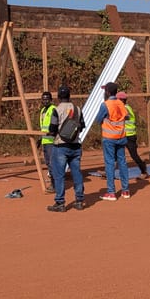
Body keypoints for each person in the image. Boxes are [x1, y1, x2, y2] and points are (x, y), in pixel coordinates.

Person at [46, 84, 86, 212]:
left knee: (59, 175)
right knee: (77, 173)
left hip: (60, 146)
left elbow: (52, 129)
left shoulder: (56, 110)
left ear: (58, 96)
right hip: (75, 145)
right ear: (69, 96)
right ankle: (79, 200)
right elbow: (82, 126)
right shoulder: (78, 109)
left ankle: (60, 202)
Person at [96, 82, 129, 201]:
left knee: (110, 164)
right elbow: (127, 116)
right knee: (122, 162)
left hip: (109, 138)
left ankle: (111, 192)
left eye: (105, 90)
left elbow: (98, 119)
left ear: (108, 92)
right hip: (121, 136)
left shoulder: (105, 105)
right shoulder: (120, 103)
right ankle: (125, 190)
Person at [117, 90, 149, 178]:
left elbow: (123, 117)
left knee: (134, 155)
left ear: (122, 100)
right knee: (114, 153)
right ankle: (109, 172)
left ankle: (144, 171)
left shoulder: (125, 108)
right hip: (123, 135)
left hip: (129, 136)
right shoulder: (124, 107)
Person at [38, 90, 56, 193]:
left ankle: (54, 184)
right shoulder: (43, 111)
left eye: (47, 99)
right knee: (48, 163)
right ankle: (53, 183)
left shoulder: (53, 110)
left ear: (51, 100)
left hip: (51, 141)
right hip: (45, 140)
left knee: (52, 163)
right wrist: (40, 139)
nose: (45, 101)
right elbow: (43, 127)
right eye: (43, 99)